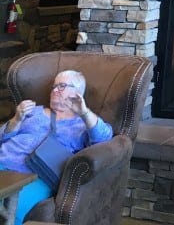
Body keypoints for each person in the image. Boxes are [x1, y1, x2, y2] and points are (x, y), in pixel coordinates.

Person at [0, 69, 113, 225]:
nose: (54, 90)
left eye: (62, 86)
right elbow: (2, 136)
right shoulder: (33, 111)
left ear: (77, 92)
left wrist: (84, 112)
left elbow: (104, 138)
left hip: (34, 177)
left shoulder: (82, 124)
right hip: (2, 164)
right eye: (54, 86)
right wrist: (17, 119)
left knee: (9, 216)